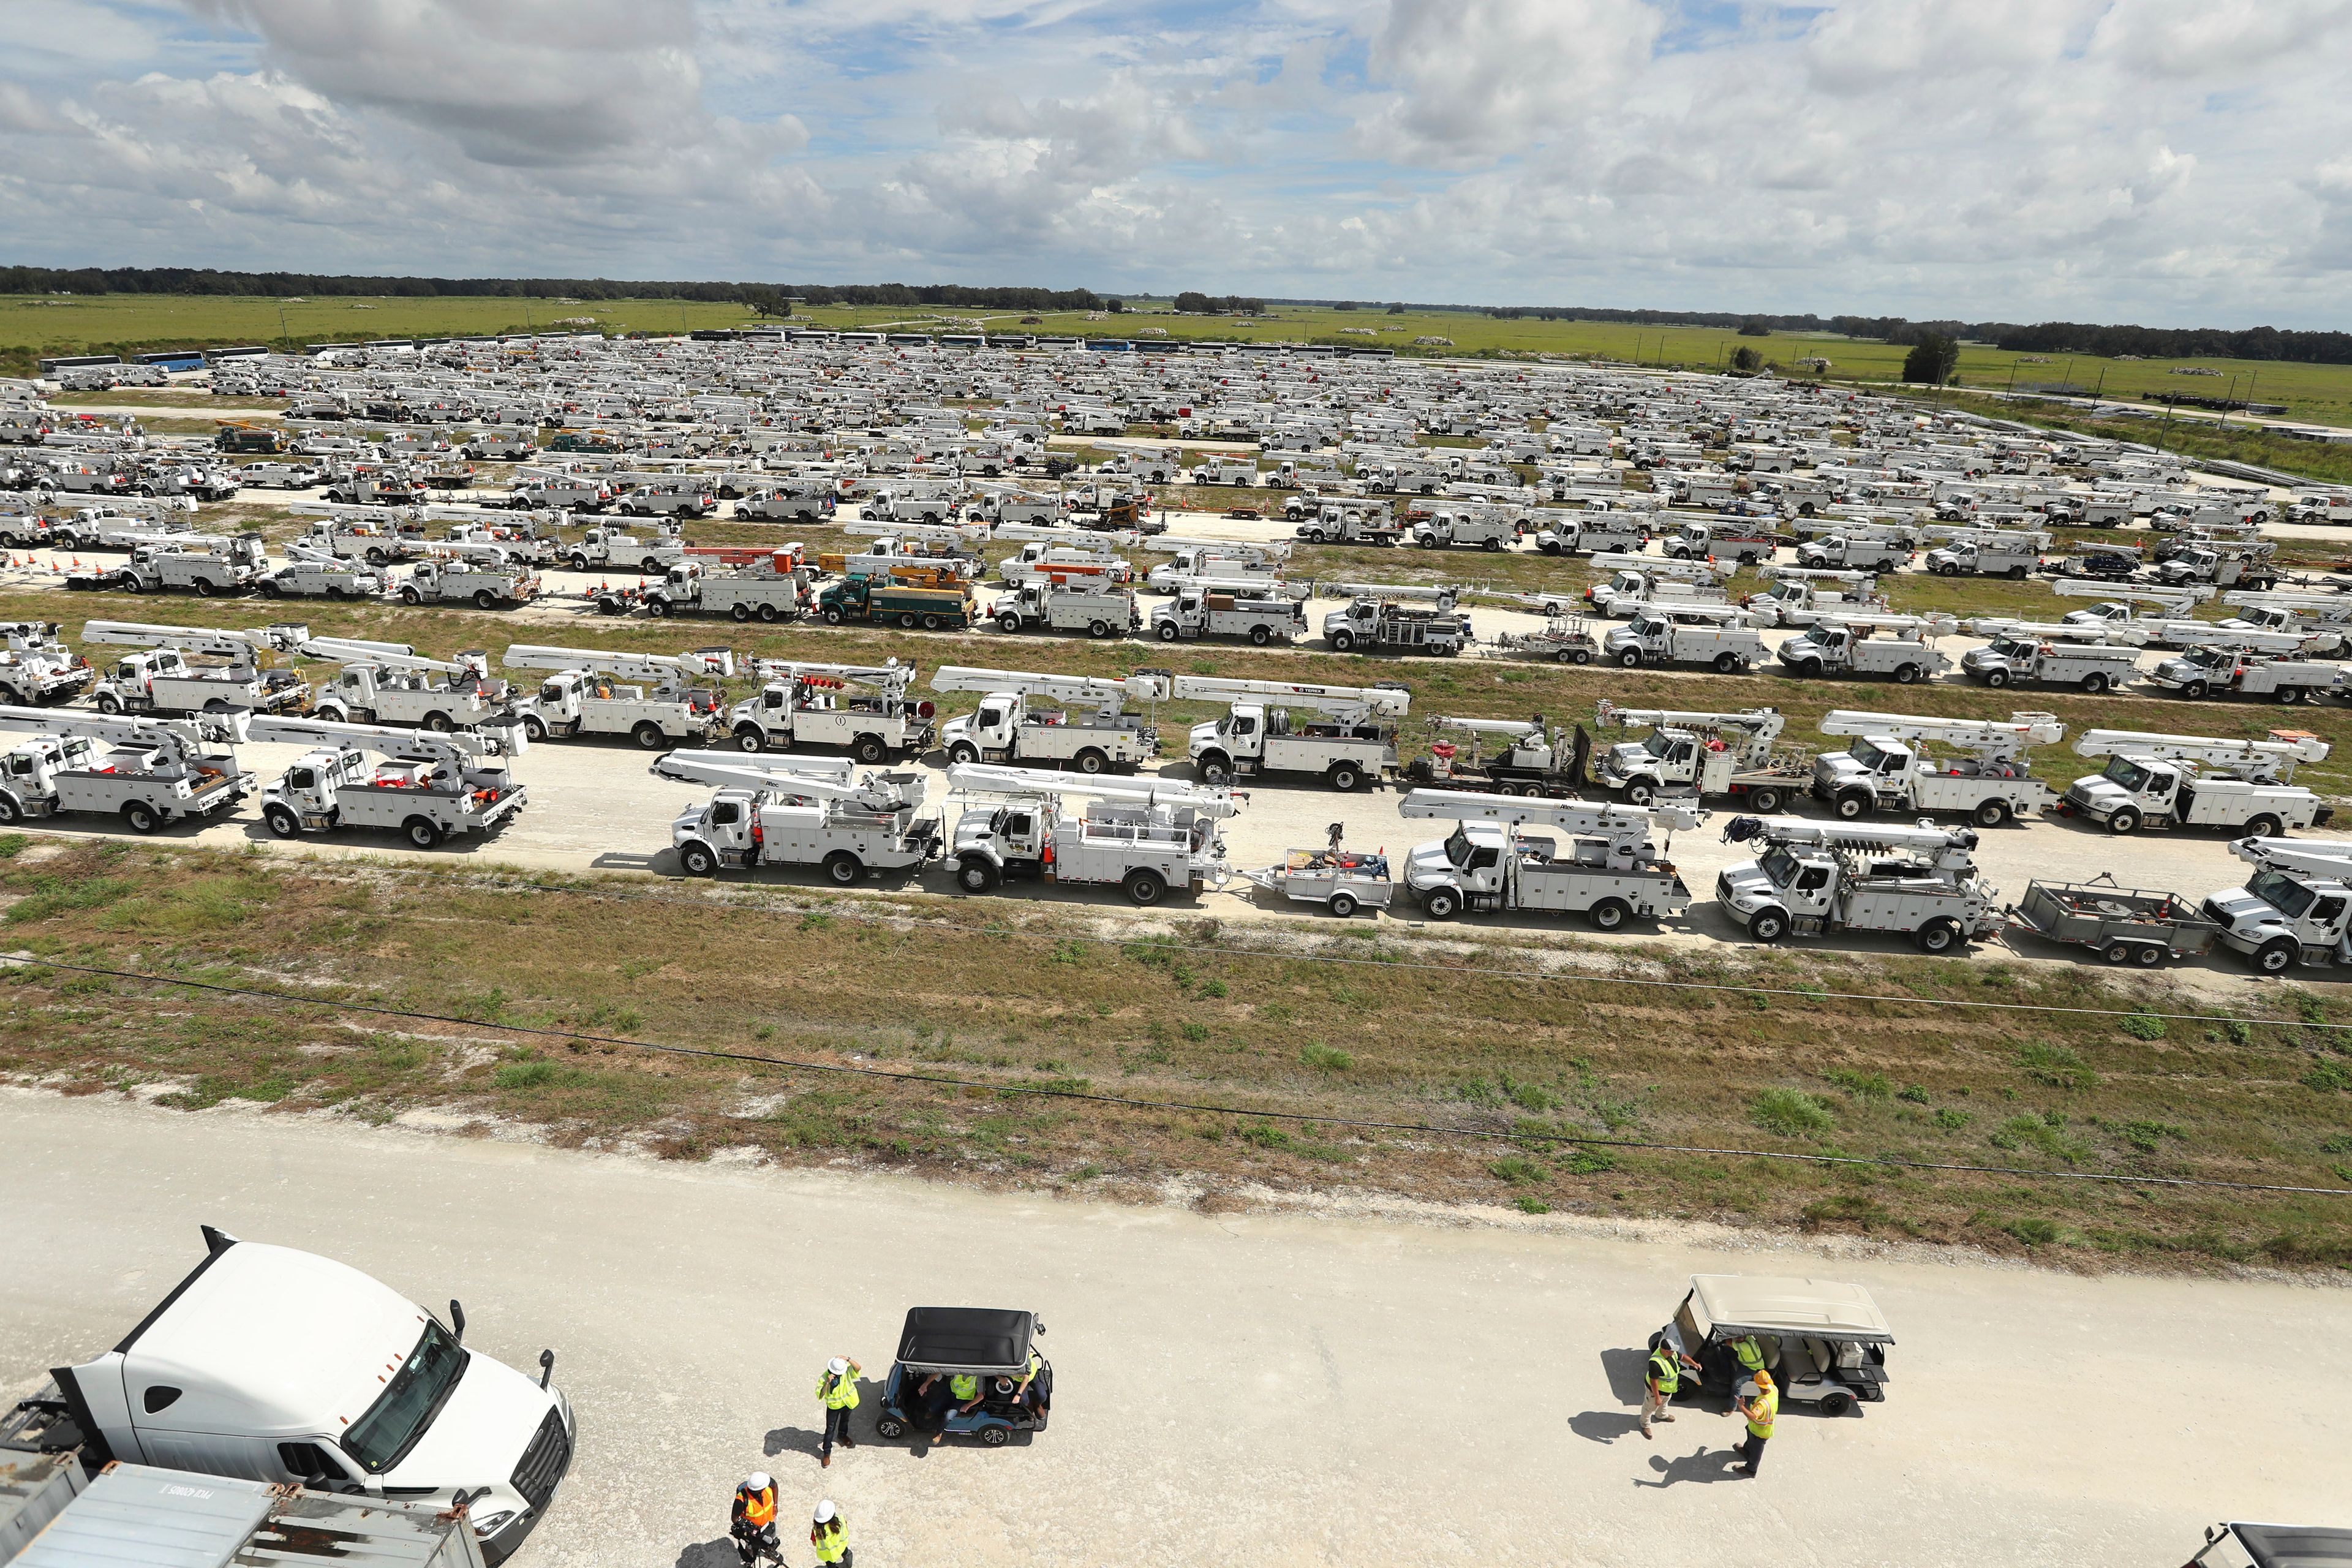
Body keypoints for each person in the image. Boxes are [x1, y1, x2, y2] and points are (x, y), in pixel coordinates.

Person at [1641, 1341, 1700, 1439]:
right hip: (1657, 1391)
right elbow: (1654, 1382)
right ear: (1665, 1351)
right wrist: (1657, 1397)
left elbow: (1683, 1357)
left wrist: (1694, 1364)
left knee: (1664, 1403)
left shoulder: (1672, 1354)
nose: (1674, 1353)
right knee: (1649, 1408)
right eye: (1671, 1351)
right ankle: (1644, 1424)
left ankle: (1661, 1415)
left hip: (1669, 1388)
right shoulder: (1655, 1363)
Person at [814, 1355, 861, 1469]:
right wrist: (827, 1383)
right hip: (834, 1407)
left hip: (848, 1403)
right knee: (830, 1429)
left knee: (845, 1421)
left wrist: (848, 1359)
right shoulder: (824, 1378)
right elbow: (820, 1395)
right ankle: (826, 1453)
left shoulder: (846, 1372)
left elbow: (858, 1368)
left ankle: (842, 1436)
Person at [730, 1473, 781, 1567]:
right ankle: (749, 1561)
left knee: (770, 1540)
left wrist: (775, 1505)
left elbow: (775, 1485)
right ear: (758, 1490)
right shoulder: (741, 1499)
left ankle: (769, 1552)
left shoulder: (767, 1486)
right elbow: (734, 1518)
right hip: (754, 1532)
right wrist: (747, 1528)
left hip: (769, 1523)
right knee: (751, 1546)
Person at [1733, 1371, 1777, 1477]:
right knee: (1750, 1440)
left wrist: (1741, 1406)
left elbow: (1752, 1416)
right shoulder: (1774, 1389)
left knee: (1757, 1449)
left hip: (1761, 1431)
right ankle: (1747, 1451)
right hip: (1755, 1428)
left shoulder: (1763, 1404)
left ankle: (1751, 1470)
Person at [810, 1499, 851, 1567]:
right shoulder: (841, 1519)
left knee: (831, 1565)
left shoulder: (817, 1530)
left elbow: (814, 1543)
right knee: (844, 1551)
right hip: (842, 1546)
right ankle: (848, 1558)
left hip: (829, 1555)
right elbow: (845, 1527)